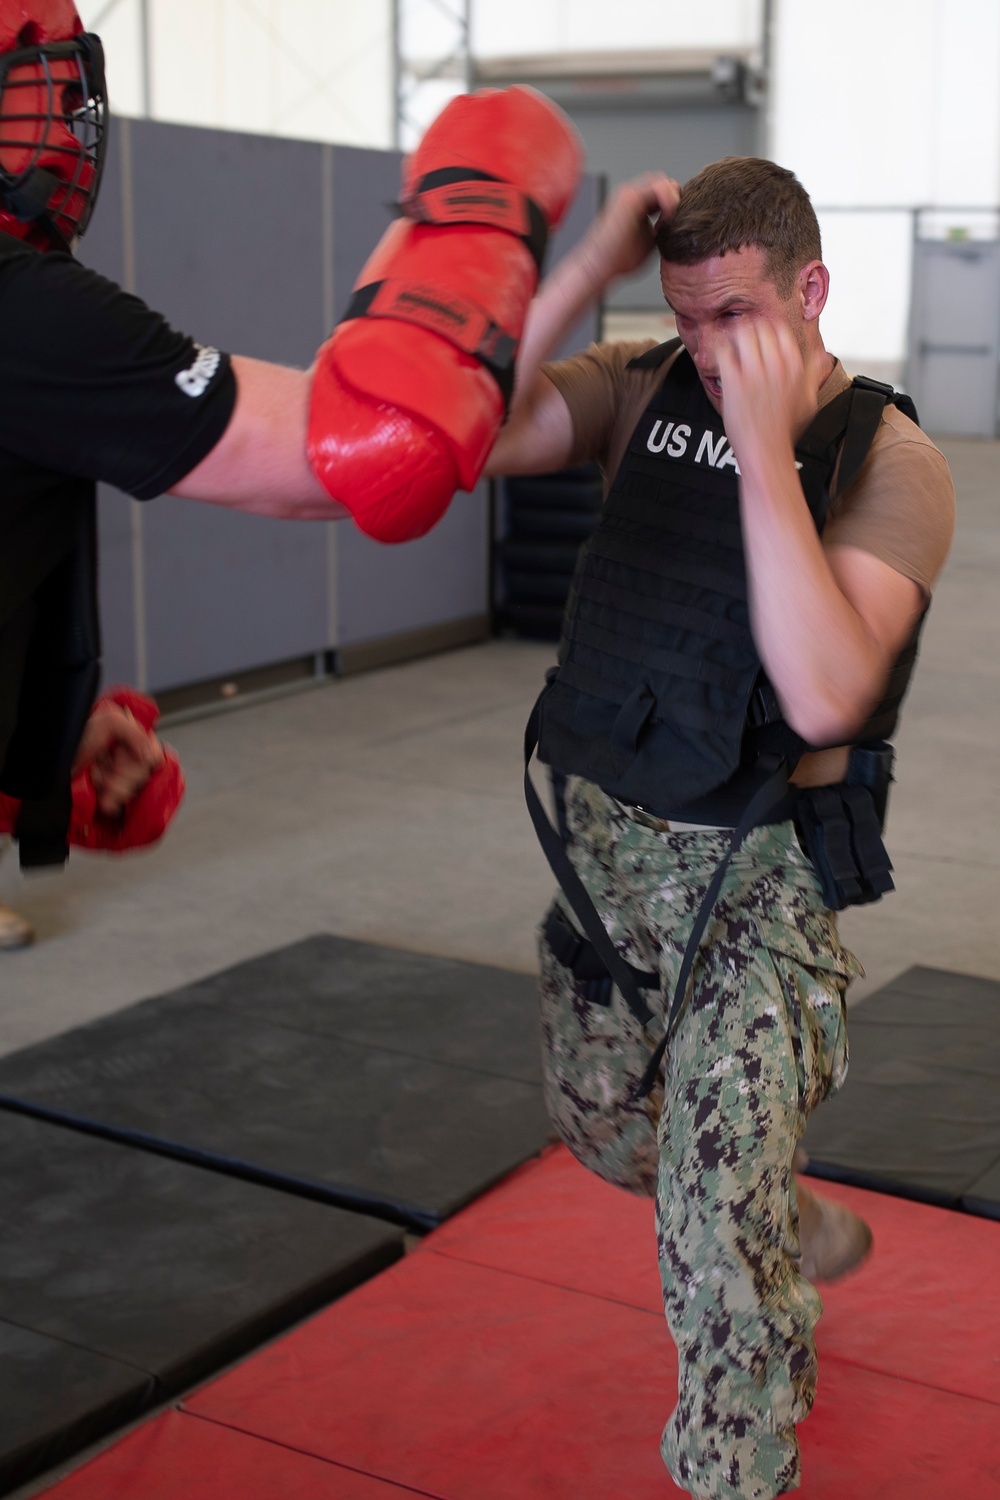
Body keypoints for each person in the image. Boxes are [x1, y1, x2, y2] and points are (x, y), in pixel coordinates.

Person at [486, 158, 955, 1499]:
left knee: (712, 1250)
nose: (706, 348)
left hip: (755, 886)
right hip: (610, 866)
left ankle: (732, 1460)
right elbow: (473, 433)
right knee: (604, 1129)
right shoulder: (645, 384)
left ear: (811, 291)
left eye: (735, 315)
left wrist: (763, 450)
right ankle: (772, 1204)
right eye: (684, 316)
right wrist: (585, 270)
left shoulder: (889, 462)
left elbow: (822, 691)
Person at [0, 2, 574, 935]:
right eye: (38, 85)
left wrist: (38, 726)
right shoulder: (20, 306)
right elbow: (373, 450)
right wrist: (484, 190)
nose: (65, 126)